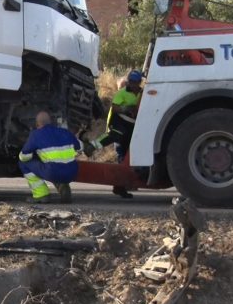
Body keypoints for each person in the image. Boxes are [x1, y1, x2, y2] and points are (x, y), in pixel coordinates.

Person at [86, 69, 144, 198]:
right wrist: (126, 109)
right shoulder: (122, 93)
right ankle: (92, 146)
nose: (133, 84)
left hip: (132, 125)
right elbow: (115, 107)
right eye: (131, 82)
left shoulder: (142, 93)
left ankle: (120, 187)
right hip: (119, 120)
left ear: (139, 82)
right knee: (116, 135)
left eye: (136, 82)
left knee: (125, 156)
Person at [18, 111, 81, 204]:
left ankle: (41, 194)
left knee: (23, 163)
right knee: (55, 164)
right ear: (51, 122)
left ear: (37, 124)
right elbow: (79, 147)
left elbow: (23, 156)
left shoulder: (36, 134)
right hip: (72, 172)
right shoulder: (65, 132)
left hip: (53, 172)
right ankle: (62, 185)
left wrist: (36, 155)